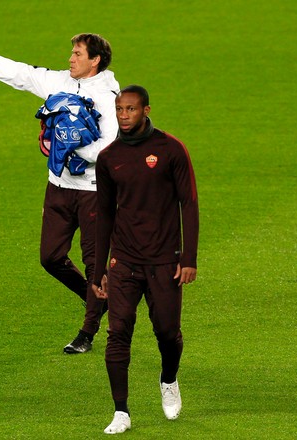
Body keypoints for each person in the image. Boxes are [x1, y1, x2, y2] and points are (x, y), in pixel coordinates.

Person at [0, 35, 119, 354]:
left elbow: (110, 146)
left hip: (95, 191)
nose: (70, 58)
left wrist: (71, 149)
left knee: (95, 265)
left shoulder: (108, 97)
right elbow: (20, 73)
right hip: (59, 189)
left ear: (95, 61)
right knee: (50, 257)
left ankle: (88, 330)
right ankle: (96, 300)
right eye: (71, 52)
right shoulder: (58, 82)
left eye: (77, 54)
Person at [91, 85, 199, 434]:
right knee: (118, 333)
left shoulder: (171, 149)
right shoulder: (109, 157)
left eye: (131, 109)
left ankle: (168, 380)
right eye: (120, 109)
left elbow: (189, 204)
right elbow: (104, 214)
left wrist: (189, 258)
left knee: (167, 333)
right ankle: (121, 411)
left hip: (165, 260)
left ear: (146, 110)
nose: (124, 115)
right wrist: (98, 270)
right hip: (123, 261)